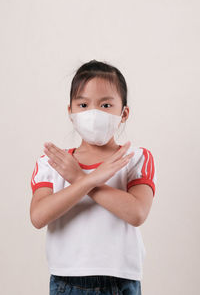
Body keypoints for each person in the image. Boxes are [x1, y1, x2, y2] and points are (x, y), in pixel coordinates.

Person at [30, 59, 157, 295]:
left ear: (124, 112)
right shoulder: (53, 163)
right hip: (66, 281)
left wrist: (79, 177)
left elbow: (137, 213)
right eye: (83, 104)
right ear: (71, 111)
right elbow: (38, 216)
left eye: (106, 105)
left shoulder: (135, 158)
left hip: (121, 282)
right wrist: (88, 179)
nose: (94, 113)